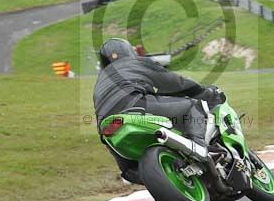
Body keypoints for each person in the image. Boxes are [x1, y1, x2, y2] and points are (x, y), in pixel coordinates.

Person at [93, 38, 218, 184]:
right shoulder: (138, 62)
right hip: (135, 104)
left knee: (128, 171)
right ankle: (199, 147)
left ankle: (152, 175)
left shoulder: (99, 82)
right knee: (192, 106)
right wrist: (206, 93)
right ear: (128, 51)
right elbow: (176, 82)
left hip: (107, 124)